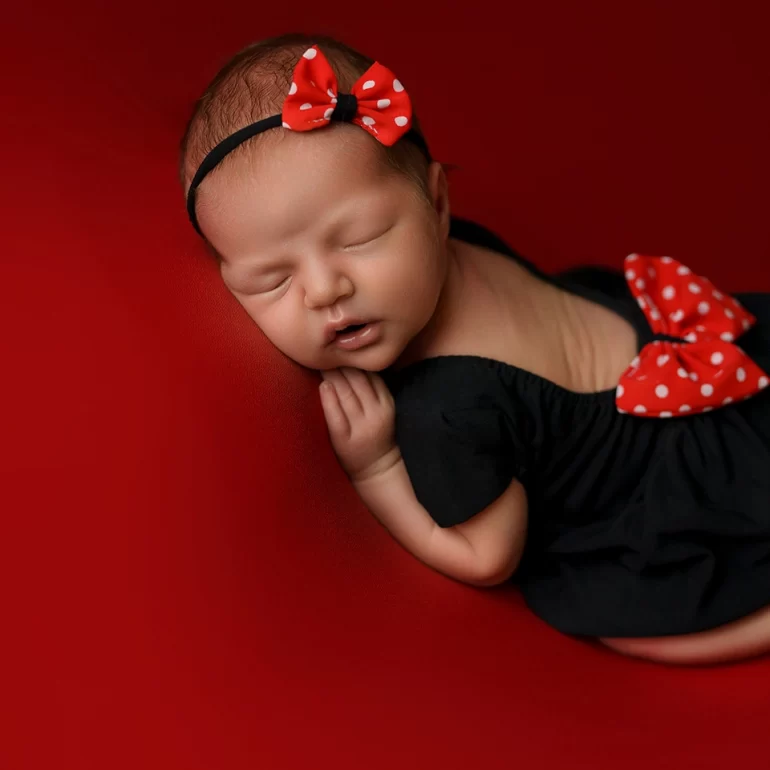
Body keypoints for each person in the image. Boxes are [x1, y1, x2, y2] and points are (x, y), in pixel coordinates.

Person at [179, 33, 770, 666]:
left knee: (633, 621)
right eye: (273, 279)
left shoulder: (448, 408)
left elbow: (487, 558)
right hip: (689, 351)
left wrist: (375, 469)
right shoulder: (452, 249)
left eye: (359, 239)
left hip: (667, 488)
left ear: (437, 203)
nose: (325, 289)